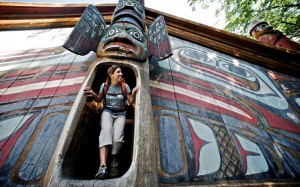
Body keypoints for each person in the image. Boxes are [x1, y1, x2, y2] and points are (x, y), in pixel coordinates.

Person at [84, 65, 139, 179]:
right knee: (106, 131)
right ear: (111, 74)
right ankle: (102, 166)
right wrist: (93, 94)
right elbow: (99, 99)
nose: (121, 74)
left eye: (121, 72)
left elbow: (130, 101)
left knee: (117, 139)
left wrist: (133, 94)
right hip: (107, 111)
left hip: (121, 114)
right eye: (118, 72)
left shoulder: (125, 86)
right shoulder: (104, 86)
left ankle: (114, 162)